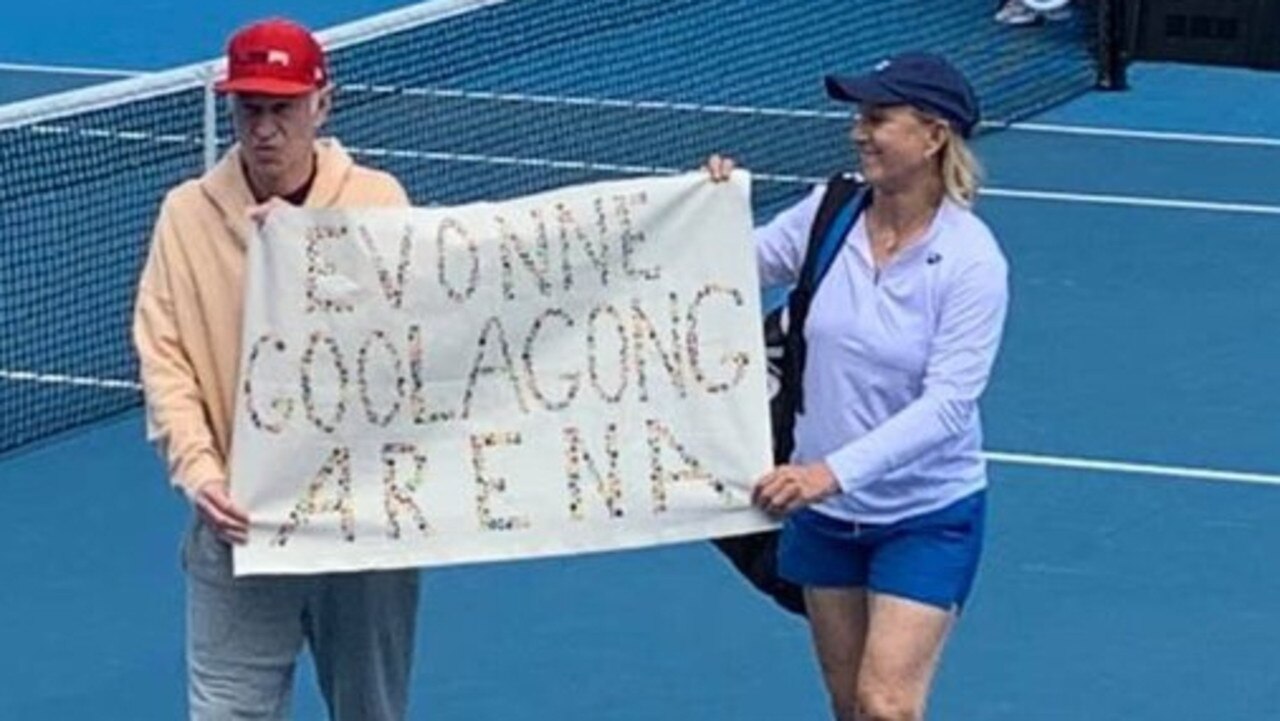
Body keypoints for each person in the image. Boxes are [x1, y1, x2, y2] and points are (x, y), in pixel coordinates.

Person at [706, 52, 1009, 721]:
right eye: (858, 117)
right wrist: (709, 204)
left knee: (886, 705)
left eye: (878, 118)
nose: (858, 131)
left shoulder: (970, 261)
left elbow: (948, 406)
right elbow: (732, 266)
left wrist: (828, 473)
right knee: (850, 707)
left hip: (927, 514)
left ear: (933, 137)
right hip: (827, 519)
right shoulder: (831, 211)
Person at [133, 18, 419, 721]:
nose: (264, 129)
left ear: (322, 103)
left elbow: (419, 343)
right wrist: (200, 474)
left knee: (372, 711)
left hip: (362, 536)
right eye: (249, 108)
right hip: (239, 529)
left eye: (281, 109)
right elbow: (164, 359)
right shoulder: (185, 217)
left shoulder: (379, 203)